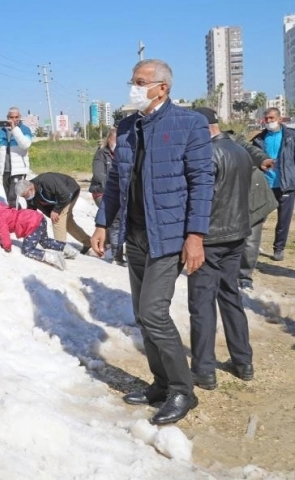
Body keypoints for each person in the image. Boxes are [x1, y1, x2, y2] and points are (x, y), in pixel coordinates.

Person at [91, 59, 213, 425]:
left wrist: (196, 236)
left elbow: (202, 183)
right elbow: (115, 183)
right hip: (137, 234)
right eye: (132, 81)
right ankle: (160, 384)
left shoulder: (189, 124)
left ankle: (182, 390)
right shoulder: (127, 127)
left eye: (141, 82)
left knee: (155, 314)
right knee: (143, 317)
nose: (134, 87)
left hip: (170, 237)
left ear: (162, 87)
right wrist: (101, 224)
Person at [188, 108, 254, 390]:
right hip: (237, 234)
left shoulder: (206, 155)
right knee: (231, 297)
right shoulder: (240, 150)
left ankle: (204, 369)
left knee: (202, 303)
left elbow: (199, 198)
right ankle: (243, 361)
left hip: (210, 238)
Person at [0, 196, 78, 270]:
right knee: (45, 241)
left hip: (30, 224)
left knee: (27, 250)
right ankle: (69, 250)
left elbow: (4, 232)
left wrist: (7, 247)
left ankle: (54, 258)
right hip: (37, 218)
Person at [232, 133, 278, 291]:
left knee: (251, 240)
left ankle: (245, 277)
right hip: (227, 199)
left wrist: (263, 159)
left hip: (253, 195)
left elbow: (251, 150)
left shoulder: (233, 141)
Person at [250, 107, 295, 261]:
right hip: (265, 185)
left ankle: (279, 248)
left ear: (280, 119)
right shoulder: (259, 139)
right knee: (258, 217)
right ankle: (253, 245)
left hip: (285, 184)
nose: (268, 121)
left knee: (283, 220)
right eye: (266, 119)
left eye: (271, 118)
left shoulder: (291, 136)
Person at [16, 172, 92, 253]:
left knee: (57, 220)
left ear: (31, 188)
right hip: (59, 199)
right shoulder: (30, 194)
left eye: (25, 195)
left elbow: (65, 195)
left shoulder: (46, 181)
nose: (25, 198)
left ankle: (61, 251)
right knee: (68, 223)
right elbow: (31, 211)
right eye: (23, 197)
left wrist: (56, 210)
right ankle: (88, 242)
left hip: (70, 192)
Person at [89, 128, 124, 265]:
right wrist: (116, 182)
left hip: (120, 192)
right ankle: (117, 256)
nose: (116, 142)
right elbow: (98, 175)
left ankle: (108, 245)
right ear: (108, 139)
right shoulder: (101, 154)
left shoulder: (124, 154)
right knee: (115, 220)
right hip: (102, 192)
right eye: (113, 139)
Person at [0, 107, 32, 207]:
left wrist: (15, 129)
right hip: (5, 170)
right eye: (12, 117)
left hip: (19, 170)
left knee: (12, 197)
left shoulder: (25, 129)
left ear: (20, 117)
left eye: (16, 117)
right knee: (9, 198)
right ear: (7, 118)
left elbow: (25, 144)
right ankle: (18, 216)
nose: (14, 119)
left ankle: (16, 220)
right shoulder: (1, 130)